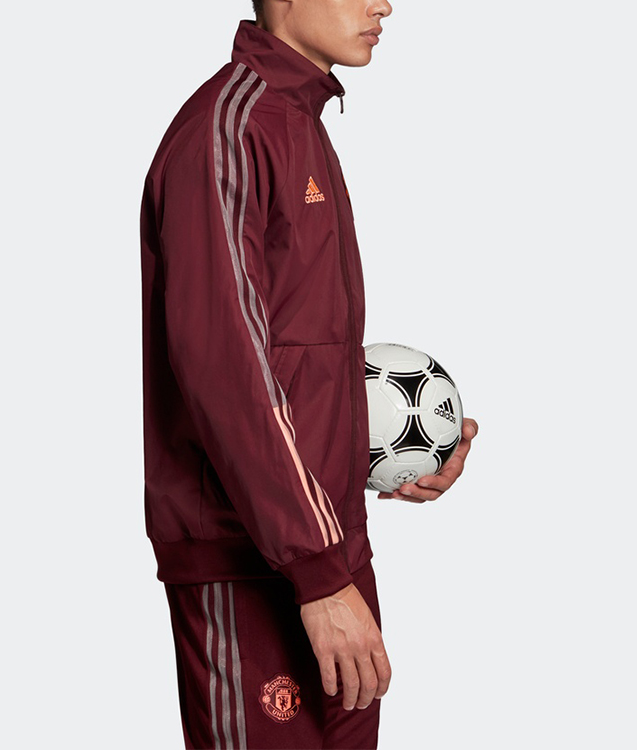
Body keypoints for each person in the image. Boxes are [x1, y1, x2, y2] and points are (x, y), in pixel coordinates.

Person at [139, 2, 479, 747]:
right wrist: (318, 570)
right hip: (253, 562)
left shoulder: (299, 124)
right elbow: (226, 369)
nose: (383, 4)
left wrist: (391, 446)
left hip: (327, 553)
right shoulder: (229, 130)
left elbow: (294, 359)